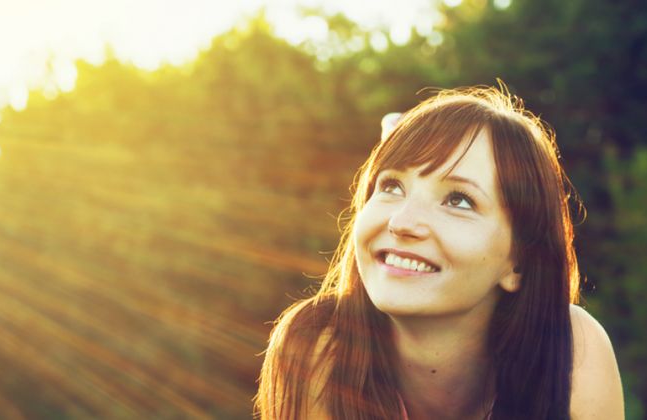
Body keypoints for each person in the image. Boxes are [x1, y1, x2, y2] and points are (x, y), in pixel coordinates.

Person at [255, 86, 624, 420]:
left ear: (519, 262)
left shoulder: (572, 353)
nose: (402, 222)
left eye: (458, 200)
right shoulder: (319, 348)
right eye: (392, 186)